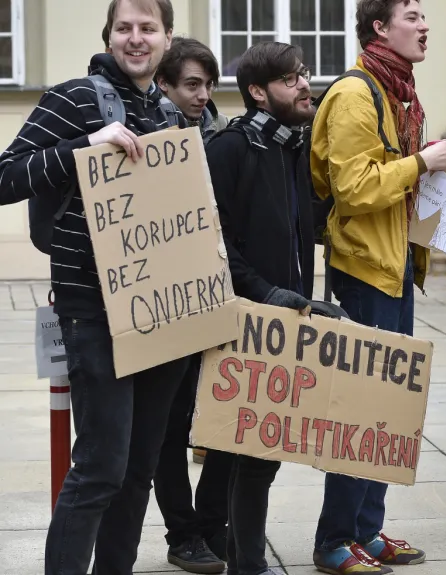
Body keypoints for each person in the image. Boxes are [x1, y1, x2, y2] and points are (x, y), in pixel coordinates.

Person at [0, 1, 192, 573]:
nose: (136, 39)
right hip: (94, 312)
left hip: (163, 311)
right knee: (100, 468)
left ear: (167, 37)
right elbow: (5, 176)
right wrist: (83, 149)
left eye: (148, 29)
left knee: (138, 471)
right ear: (108, 36)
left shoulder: (167, 112)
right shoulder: (74, 98)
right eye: (124, 29)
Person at [309, 0, 446, 573]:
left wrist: (426, 172)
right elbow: (353, 188)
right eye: (413, 16)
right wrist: (423, 162)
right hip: (362, 269)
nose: (425, 26)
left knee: (390, 408)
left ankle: (367, 533)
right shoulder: (356, 93)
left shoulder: (398, 91)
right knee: (358, 410)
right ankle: (333, 541)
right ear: (380, 27)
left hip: (393, 265)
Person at [205, 41, 347, 575]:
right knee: (252, 454)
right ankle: (245, 564)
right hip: (245, 320)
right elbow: (214, 243)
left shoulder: (290, 147)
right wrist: (265, 292)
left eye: (304, 73)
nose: (304, 84)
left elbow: (296, 228)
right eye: (291, 79)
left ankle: (238, 554)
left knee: (258, 453)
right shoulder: (230, 149)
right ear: (258, 93)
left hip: (283, 320)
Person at [151, 34, 232, 574]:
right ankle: (183, 534)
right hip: (163, 300)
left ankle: (210, 524)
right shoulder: (147, 133)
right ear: (164, 85)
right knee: (170, 424)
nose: (202, 95)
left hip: (215, 293)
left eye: (208, 85)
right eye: (192, 85)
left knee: (226, 417)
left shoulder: (218, 134)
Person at [156, 36, 229, 140]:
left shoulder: (222, 126)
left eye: (209, 84)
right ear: (163, 83)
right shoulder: (145, 126)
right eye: (193, 84)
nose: (204, 96)